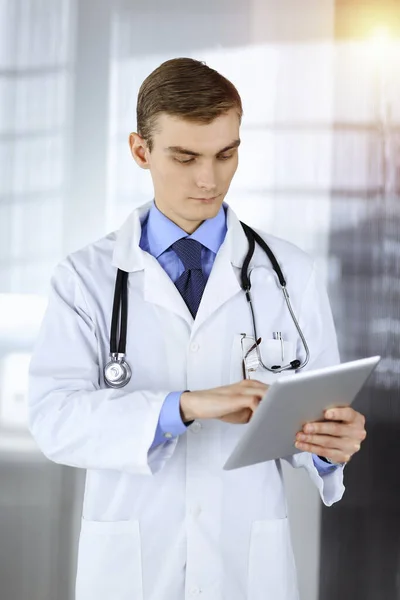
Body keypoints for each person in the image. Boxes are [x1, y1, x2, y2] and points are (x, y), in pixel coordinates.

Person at [28, 58, 366, 600]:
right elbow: (54, 418)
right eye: (185, 157)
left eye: (225, 154)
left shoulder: (289, 273)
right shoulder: (85, 278)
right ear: (141, 151)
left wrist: (328, 444)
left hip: (246, 566)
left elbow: (311, 414)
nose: (209, 179)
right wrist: (183, 406)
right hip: (133, 566)